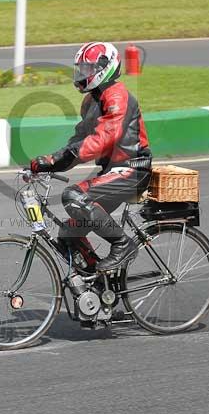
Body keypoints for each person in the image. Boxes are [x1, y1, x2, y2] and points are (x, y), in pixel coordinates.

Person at [29, 42, 153, 273]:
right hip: (112, 171)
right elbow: (79, 140)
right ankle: (99, 285)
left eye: (87, 69)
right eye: (81, 69)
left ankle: (123, 245)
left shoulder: (117, 95)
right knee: (68, 234)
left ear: (104, 68)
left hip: (132, 170)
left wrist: (60, 157)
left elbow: (103, 138)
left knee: (74, 196)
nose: (82, 74)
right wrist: (50, 162)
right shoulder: (91, 101)